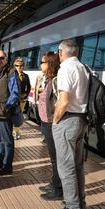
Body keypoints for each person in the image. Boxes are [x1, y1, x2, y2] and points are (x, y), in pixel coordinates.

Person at [49, 39, 89, 209]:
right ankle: (80, 205)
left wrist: (55, 120)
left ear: (61, 52)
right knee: (78, 166)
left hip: (67, 120)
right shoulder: (83, 68)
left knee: (66, 167)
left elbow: (64, 100)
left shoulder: (65, 68)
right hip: (81, 120)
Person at [0, 50, 20, 176]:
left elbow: (15, 92)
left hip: (3, 112)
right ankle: (0, 162)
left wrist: (7, 107)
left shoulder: (11, 72)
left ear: (6, 59)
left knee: (7, 140)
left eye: (2, 58)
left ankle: (7, 166)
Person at [36, 52, 63, 201]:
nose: (40, 65)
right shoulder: (48, 79)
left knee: (55, 158)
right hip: (45, 122)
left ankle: (58, 189)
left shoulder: (56, 81)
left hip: (51, 123)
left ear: (50, 64)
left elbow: (60, 102)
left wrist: (54, 120)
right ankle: (54, 183)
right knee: (53, 157)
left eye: (43, 62)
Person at [12, 58, 31, 139]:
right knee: (15, 115)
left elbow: (29, 87)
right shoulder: (12, 76)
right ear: (14, 66)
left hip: (22, 100)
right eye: (17, 66)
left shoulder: (26, 76)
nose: (19, 67)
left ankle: (16, 130)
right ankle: (16, 131)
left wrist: (26, 95)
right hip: (14, 100)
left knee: (19, 116)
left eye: (21, 66)